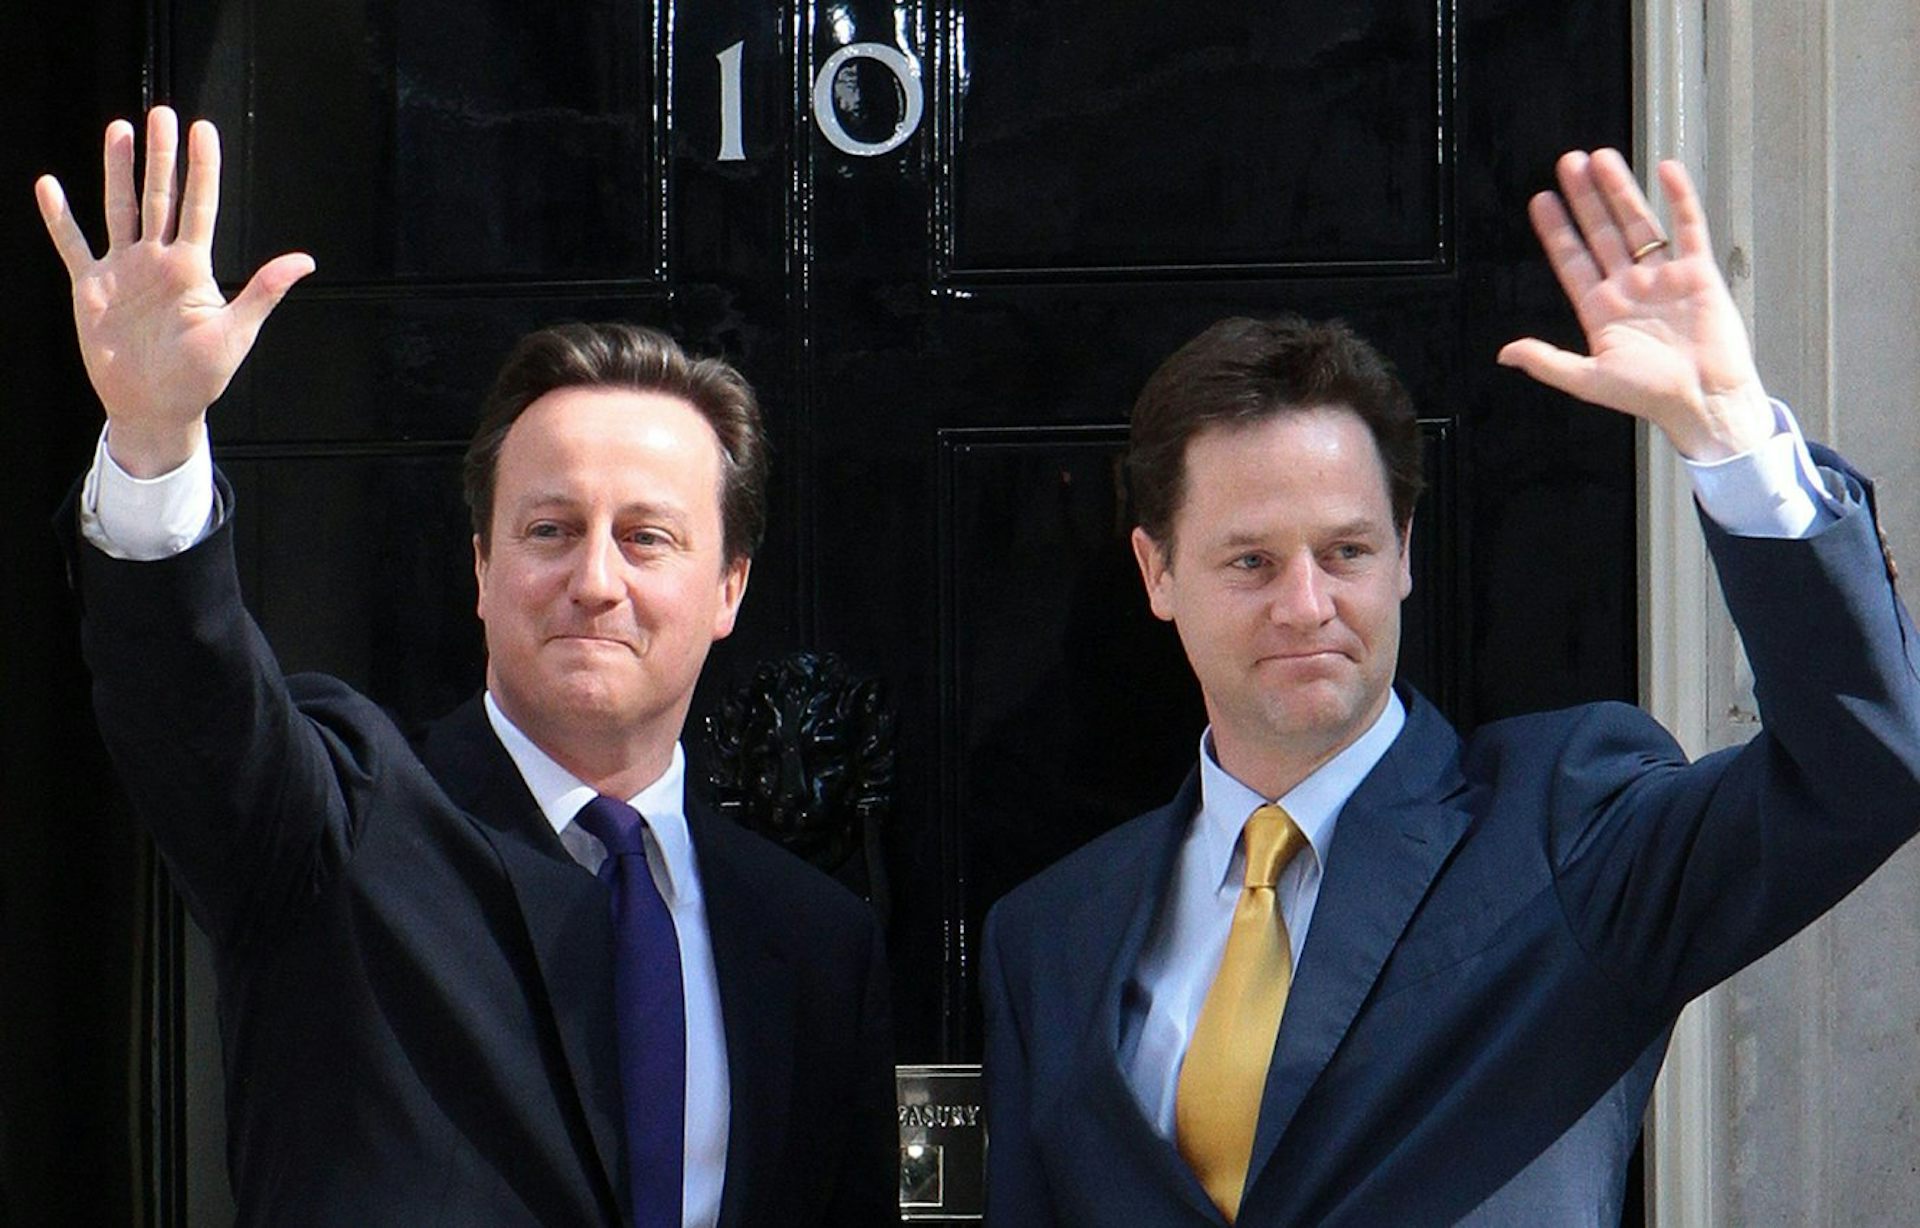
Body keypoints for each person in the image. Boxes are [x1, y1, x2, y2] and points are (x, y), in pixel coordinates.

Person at [980, 148, 1920, 1226]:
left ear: (1405, 557)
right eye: (1250, 562)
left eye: (1345, 552)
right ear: (1157, 572)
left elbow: (1868, 773)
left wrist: (1730, 435)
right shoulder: (1048, 936)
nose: (1305, 604)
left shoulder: (1565, 826)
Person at [36, 107, 901, 1227]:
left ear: (730, 586)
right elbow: (189, 703)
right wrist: (155, 439)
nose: (595, 579)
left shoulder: (816, 944)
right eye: (548, 531)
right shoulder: (335, 827)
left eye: (647, 537)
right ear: (482, 568)